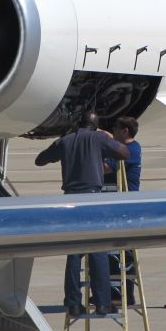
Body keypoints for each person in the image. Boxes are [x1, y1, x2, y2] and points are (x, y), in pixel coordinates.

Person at [35, 110, 129, 316]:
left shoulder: (66, 140)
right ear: (95, 126)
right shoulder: (99, 138)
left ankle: (73, 303)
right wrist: (105, 142)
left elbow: (40, 160)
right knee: (98, 251)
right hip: (92, 197)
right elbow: (124, 153)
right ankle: (103, 303)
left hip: (70, 199)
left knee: (74, 252)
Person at [103, 116, 142, 306]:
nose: (113, 131)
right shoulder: (130, 148)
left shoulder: (130, 150)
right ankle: (115, 292)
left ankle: (123, 293)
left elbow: (106, 169)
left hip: (125, 207)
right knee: (114, 253)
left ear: (125, 131)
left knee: (121, 254)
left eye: (115, 129)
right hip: (120, 206)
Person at [103, 116, 141, 192]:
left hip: (124, 196)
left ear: (125, 131)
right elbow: (109, 135)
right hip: (115, 193)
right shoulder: (134, 145)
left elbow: (104, 169)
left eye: (116, 127)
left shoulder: (128, 150)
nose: (113, 129)